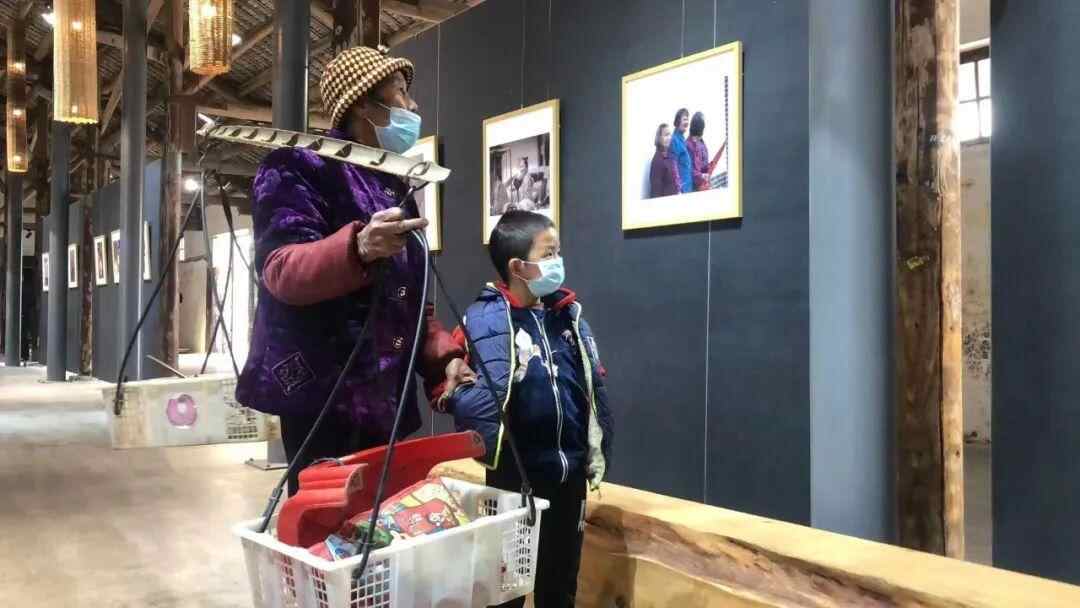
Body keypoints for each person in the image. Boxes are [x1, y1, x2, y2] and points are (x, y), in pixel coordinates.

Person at [236, 46, 474, 494]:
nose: (413, 105)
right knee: (328, 524)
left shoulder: (392, 185)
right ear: (363, 103)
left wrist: (444, 360)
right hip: (325, 400)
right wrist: (358, 247)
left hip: (386, 401)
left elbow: (407, 303)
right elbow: (281, 271)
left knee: (387, 523)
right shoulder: (297, 165)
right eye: (400, 92)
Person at [438, 211, 614, 608]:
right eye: (548, 254)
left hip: (569, 475)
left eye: (558, 252)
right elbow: (453, 388)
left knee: (560, 583)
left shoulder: (568, 315)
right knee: (507, 587)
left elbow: (590, 385)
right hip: (515, 481)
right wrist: (464, 398)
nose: (558, 261)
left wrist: (593, 449)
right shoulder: (483, 320)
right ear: (518, 267)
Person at [649, 123, 681, 198]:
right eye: (666, 135)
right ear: (659, 138)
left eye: (670, 135)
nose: (669, 138)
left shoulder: (670, 155)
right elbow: (656, 191)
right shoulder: (658, 160)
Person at [686, 112, 711, 191]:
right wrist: (701, 176)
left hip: (704, 184)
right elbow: (688, 169)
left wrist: (709, 167)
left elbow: (704, 162)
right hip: (694, 187)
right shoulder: (687, 145)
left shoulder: (702, 142)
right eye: (703, 127)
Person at [670, 108, 694, 193]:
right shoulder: (674, 140)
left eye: (688, 119)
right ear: (677, 122)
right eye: (684, 119)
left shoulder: (682, 139)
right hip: (682, 190)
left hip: (688, 187)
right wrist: (679, 189)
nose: (687, 122)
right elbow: (673, 166)